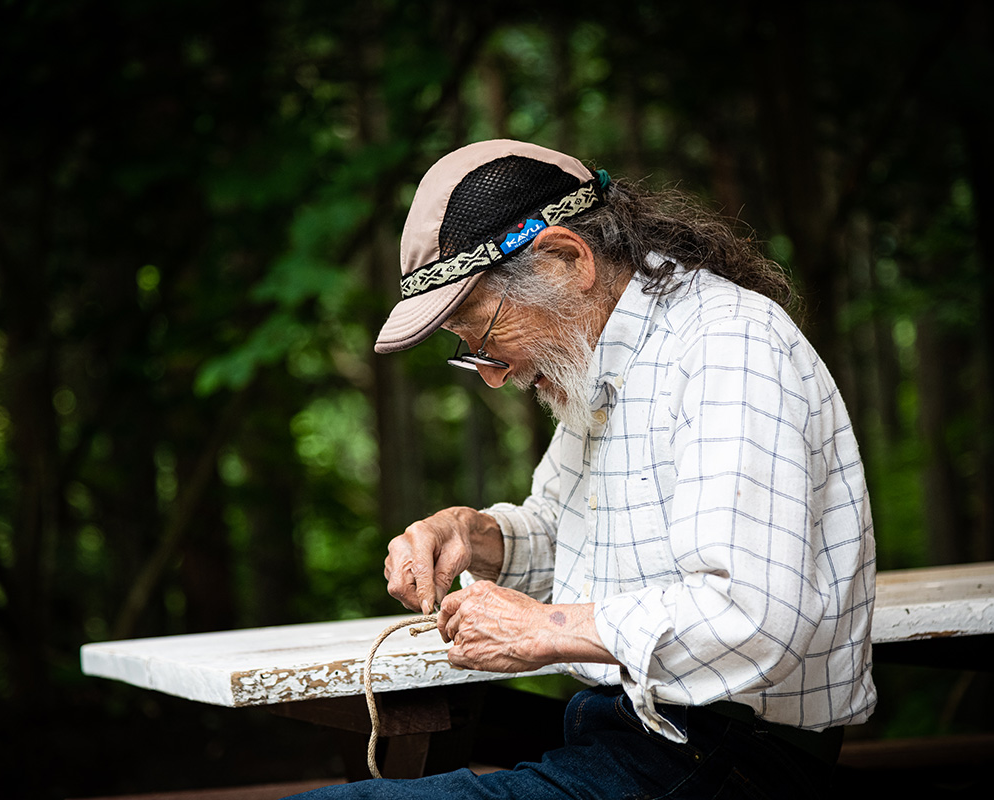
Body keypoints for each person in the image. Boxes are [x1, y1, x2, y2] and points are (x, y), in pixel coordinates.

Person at [296, 140, 876, 799]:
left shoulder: (726, 346)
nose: (493, 377)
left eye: (483, 337)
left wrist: (544, 630)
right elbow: (575, 540)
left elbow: (753, 615)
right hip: (637, 738)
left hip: (729, 757)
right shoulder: (603, 362)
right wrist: (482, 537)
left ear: (569, 260)